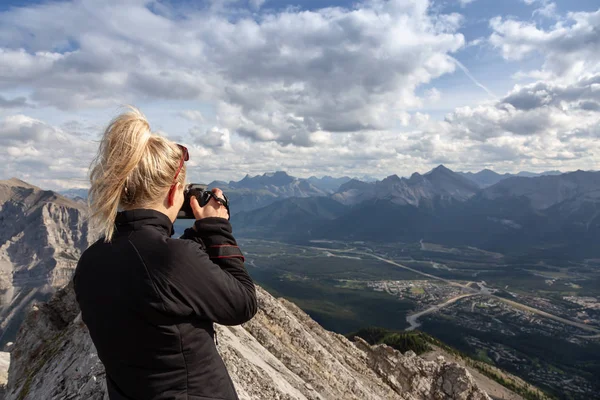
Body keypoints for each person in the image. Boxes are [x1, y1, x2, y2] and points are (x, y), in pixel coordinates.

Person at [74, 106, 257, 400]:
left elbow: (158, 274)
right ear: (174, 192)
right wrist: (217, 228)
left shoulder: (90, 263)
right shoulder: (170, 258)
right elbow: (243, 304)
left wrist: (200, 233)